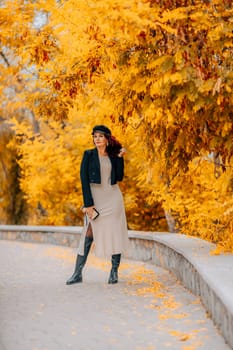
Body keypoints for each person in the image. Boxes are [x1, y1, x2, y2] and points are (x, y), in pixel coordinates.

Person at [66, 125, 129, 285]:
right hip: (95, 199)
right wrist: (88, 204)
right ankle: (77, 273)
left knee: (115, 232)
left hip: (113, 198)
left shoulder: (114, 155)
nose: (97, 139)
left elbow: (119, 177)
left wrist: (121, 158)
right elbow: (84, 180)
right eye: (95, 136)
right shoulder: (88, 155)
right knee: (88, 234)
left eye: (100, 136)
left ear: (107, 138)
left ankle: (114, 272)